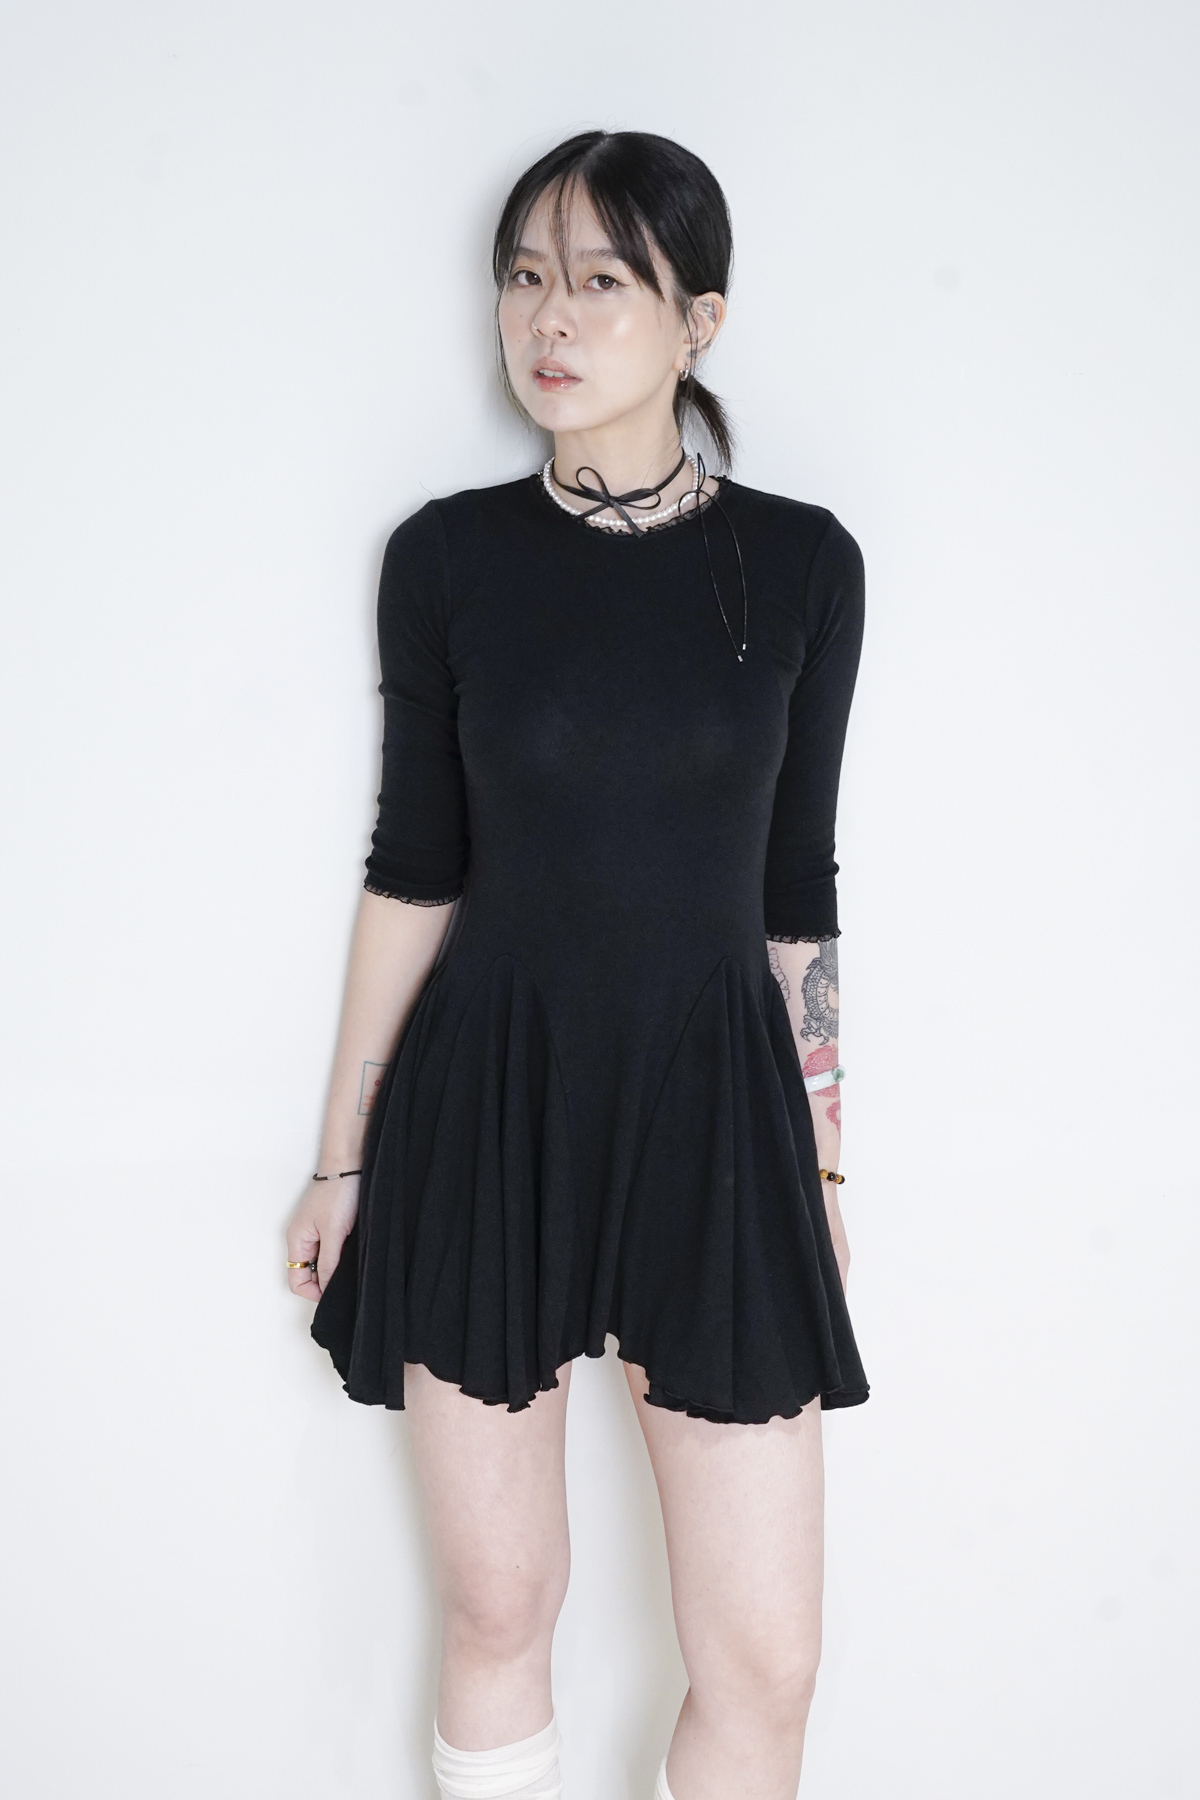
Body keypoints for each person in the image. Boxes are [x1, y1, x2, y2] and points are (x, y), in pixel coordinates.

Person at [286, 129, 869, 1800]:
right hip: (491, 1101)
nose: (550, 317)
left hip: (720, 1107)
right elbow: (414, 869)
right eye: (526, 276)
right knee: (500, 1605)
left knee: (765, 1659)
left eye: (604, 280)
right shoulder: (447, 559)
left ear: (700, 320)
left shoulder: (805, 564)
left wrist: (822, 1163)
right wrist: (341, 1159)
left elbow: (797, 888)